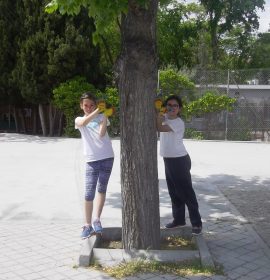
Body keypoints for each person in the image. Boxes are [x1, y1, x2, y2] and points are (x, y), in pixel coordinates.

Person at [156, 95, 202, 235]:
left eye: (175, 106)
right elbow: (159, 121)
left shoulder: (177, 122)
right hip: (168, 159)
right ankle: (179, 220)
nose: (172, 107)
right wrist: (160, 112)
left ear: (179, 109)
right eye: (169, 105)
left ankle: (197, 223)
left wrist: (158, 112)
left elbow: (159, 127)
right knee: (174, 193)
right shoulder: (165, 118)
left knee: (186, 192)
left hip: (179, 160)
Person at [75, 92, 114, 239]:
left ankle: (97, 220)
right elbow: (83, 123)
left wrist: (105, 115)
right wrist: (99, 110)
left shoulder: (100, 117)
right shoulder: (79, 119)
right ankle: (87, 224)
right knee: (88, 193)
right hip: (91, 160)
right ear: (81, 106)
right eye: (86, 105)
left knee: (101, 189)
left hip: (107, 157)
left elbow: (102, 134)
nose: (89, 107)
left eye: (92, 105)